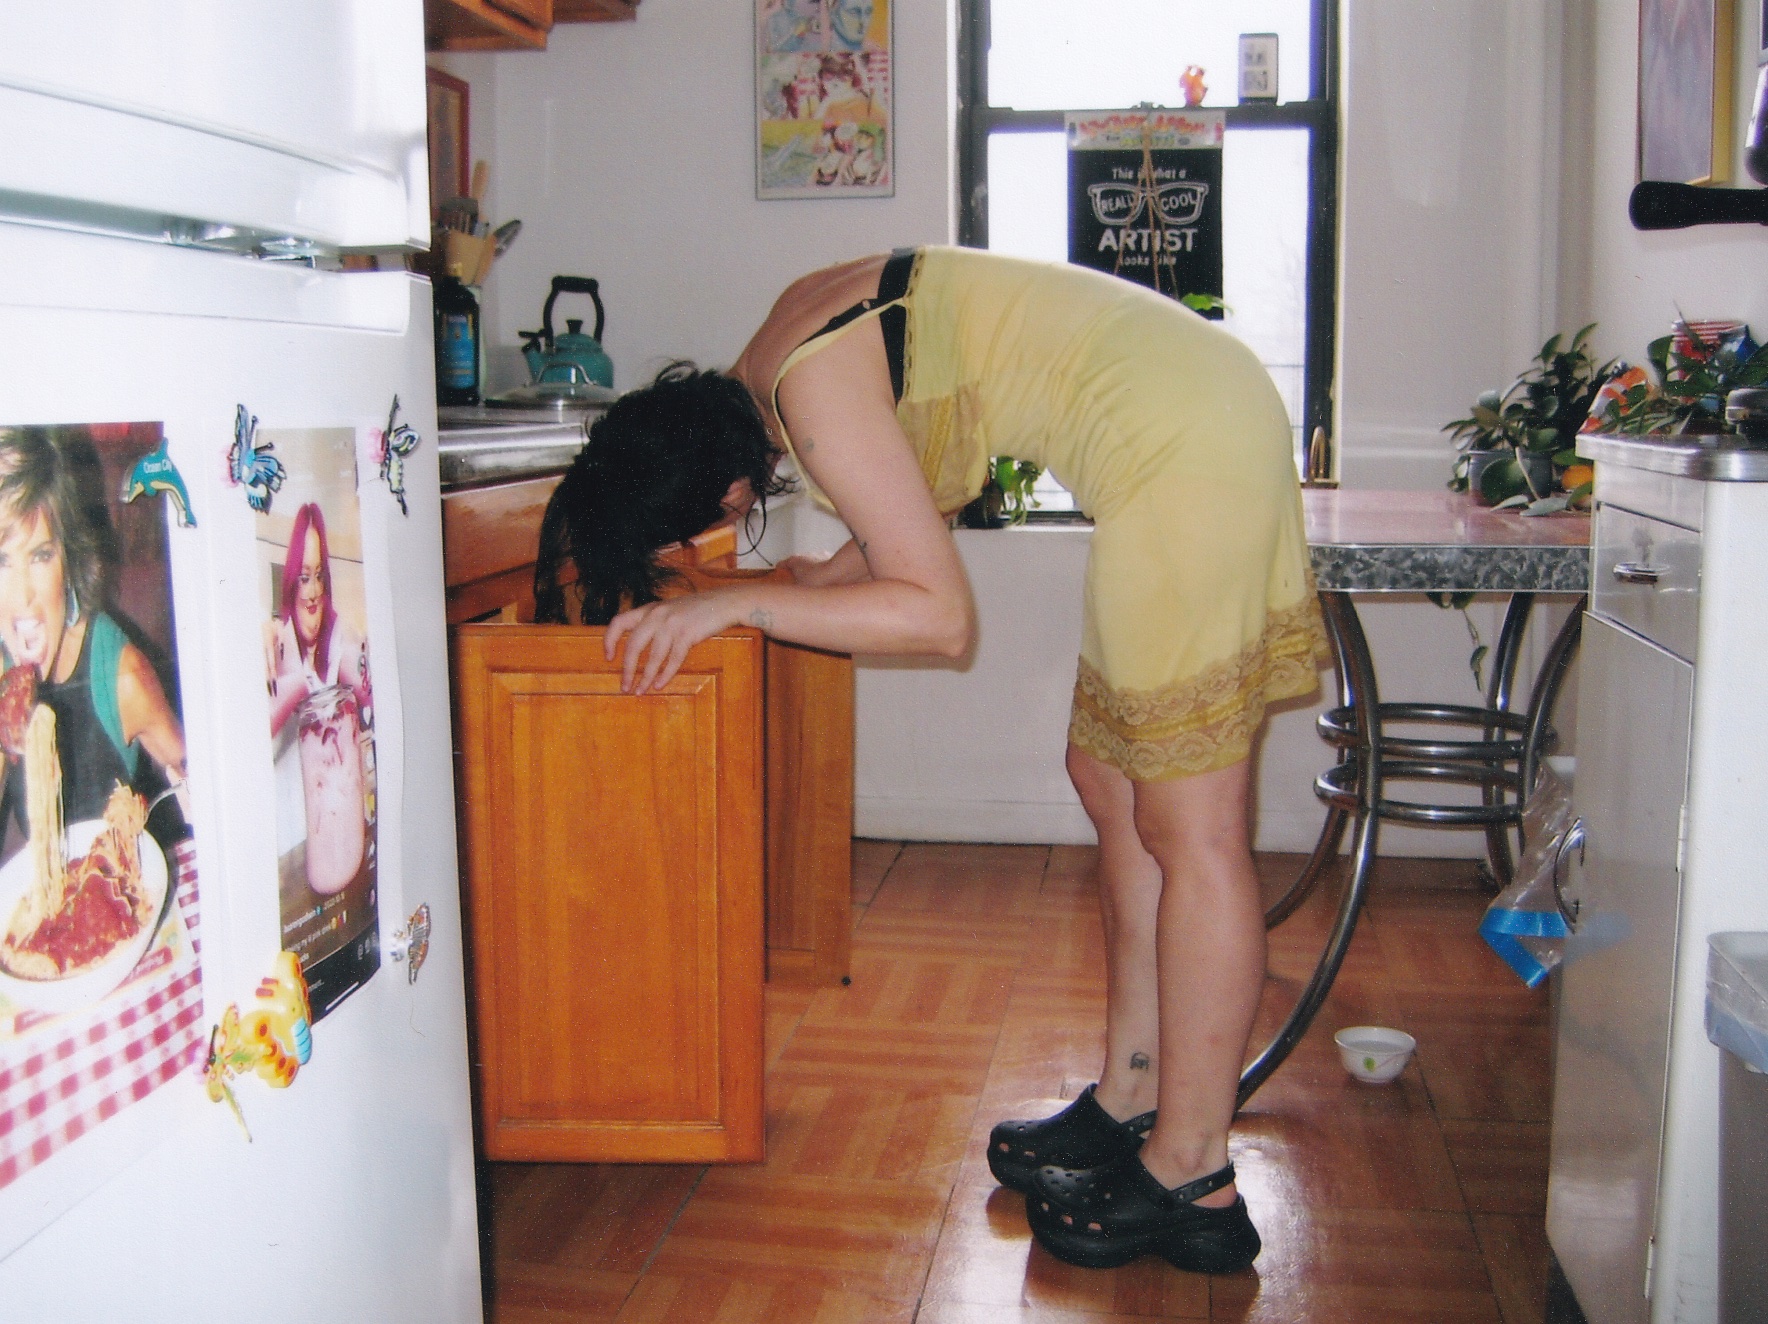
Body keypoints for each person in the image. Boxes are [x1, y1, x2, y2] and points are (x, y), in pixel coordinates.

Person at [534, 246, 1328, 1275]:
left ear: (727, 493)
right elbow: (907, 510)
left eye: (710, 532)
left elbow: (939, 616)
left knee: (1194, 829)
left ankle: (1195, 1171)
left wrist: (750, 599)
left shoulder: (808, 396)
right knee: (1111, 780)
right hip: (1184, 420)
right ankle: (1135, 1094)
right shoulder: (777, 345)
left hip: (1183, 449)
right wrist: (808, 580)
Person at [0, 429, 189, 843]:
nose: (23, 597)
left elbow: (202, 782)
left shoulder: (124, 678)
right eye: (1, 561)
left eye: (41, 556)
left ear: (68, 556)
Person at [265, 502, 371, 738]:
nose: (313, 592)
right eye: (303, 578)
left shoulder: (341, 640)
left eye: (319, 576)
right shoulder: (276, 649)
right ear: (291, 582)